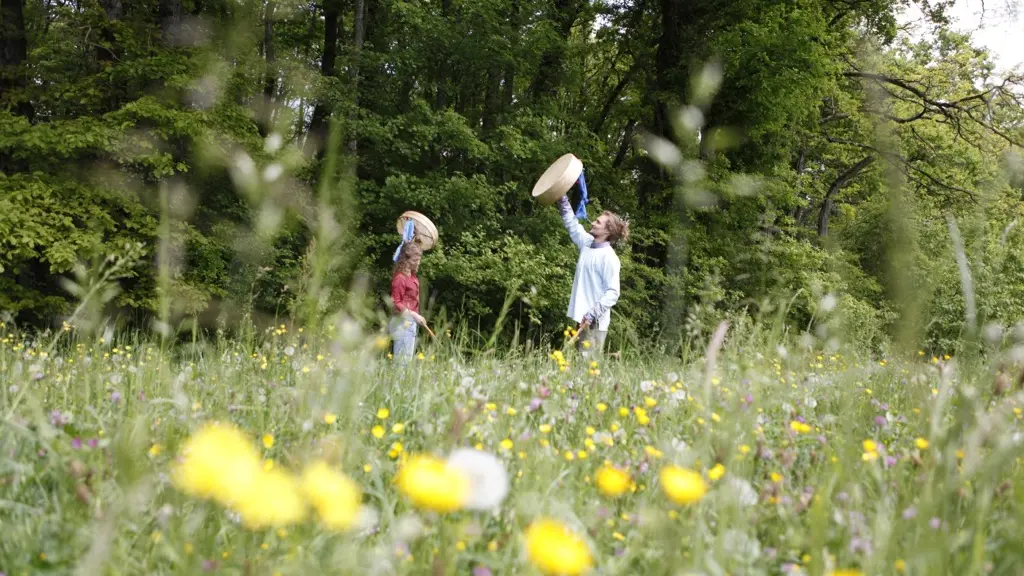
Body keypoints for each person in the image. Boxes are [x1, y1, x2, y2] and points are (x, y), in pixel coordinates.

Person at [556, 195, 629, 357]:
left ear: (607, 231)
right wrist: (562, 200)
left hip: (594, 321)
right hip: (581, 317)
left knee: (587, 367)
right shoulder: (587, 243)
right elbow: (573, 226)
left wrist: (592, 314)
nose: (593, 223)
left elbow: (613, 293)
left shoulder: (609, 258)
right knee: (580, 365)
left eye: (598, 222)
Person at [390, 242, 427, 360]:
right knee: (402, 363)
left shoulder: (412, 276)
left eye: (419, 259)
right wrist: (415, 315)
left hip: (410, 322)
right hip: (402, 323)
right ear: (406, 260)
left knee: (406, 362)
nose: (418, 262)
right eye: (415, 260)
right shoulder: (400, 278)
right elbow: (396, 303)